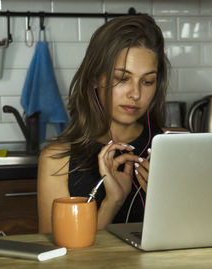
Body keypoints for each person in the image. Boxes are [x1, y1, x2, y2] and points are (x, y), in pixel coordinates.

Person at [37, 14, 170, 233]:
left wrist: (170, 198)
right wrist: (113, 201)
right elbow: (56, 258)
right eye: (122, 78)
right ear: (95, 78)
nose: (135, 94)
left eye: (147, 81)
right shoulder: (56, 161)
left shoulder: (175, 146)